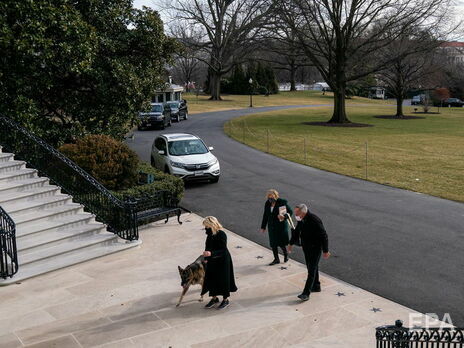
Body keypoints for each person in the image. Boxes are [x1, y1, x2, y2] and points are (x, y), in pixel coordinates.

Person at [288, 204, 330, 301]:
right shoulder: (301, 219)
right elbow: (297, 231)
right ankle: (316, 286)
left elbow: (324, 235)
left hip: (315, 248)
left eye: (297, 213)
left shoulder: (314, 220)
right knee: (312, 267)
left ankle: (306, 293)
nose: (296, 215)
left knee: (311, 270)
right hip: (306, 248)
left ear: (303, 212)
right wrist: (290, 244)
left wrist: (326, 250)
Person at [201, 216, 237, 309]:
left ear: (211, 225)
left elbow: (223, 250)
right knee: (212, 279)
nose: (205, 228)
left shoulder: (221, 234)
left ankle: (225, 300)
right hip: (212, 260)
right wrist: (206, 257)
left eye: (206, 226)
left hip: (223, 261)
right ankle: (214, 298)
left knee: (223, 280)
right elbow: (207, 246)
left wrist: (211, 253)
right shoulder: (209, 235)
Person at [260, 189, 293, 265]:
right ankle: (276, 259)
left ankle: (285, 254)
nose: (270, 198)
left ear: (275, 196)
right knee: (273, 243)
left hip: (280, 226)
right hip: (271, 226)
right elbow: (265, 215)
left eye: (271, 196)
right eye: (268, 196)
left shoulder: (281, 203)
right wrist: (263, 227)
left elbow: (290, 212)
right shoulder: (267, 203)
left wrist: (284, 216)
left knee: (281, 243)